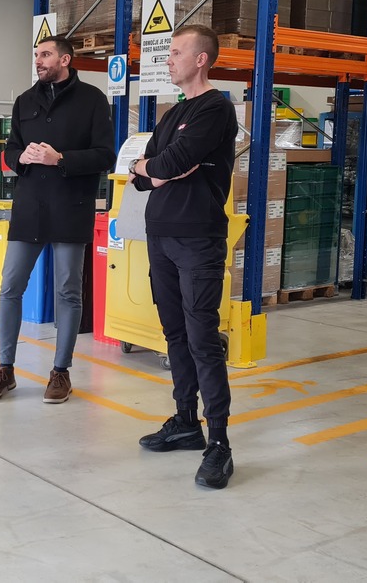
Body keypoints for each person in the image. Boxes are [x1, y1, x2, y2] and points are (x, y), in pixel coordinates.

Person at [127, 25, 238, 490]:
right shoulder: (173, 113)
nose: (168, 60)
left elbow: (169, 164)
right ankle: (186, 421)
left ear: (201, 59)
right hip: (160, 235)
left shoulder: (216, 109)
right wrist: (151, 168)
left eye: (175, 53)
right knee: (174, 334)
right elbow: (143, 173)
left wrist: (160, 168)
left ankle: (220, 444)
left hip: (197, 239)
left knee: (202, 339)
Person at [0, 35, 116, 404]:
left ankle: (61, 372)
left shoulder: (92, 100)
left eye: (45, 54)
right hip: (29, 208)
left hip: (71, 206)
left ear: (65, 59)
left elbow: (106, 155)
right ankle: (5, 369)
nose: (38, 60)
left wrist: (61, 159)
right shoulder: (25, 101)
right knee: (10, 287)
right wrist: (20, 157)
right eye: (36, 55)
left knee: (68, 291)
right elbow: (11, 148)